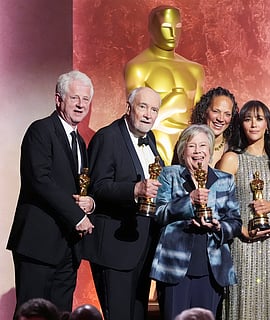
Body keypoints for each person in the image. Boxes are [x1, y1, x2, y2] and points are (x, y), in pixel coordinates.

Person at [7, 71, 95, 314]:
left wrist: (89, 204)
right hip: (38, 245)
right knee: (32, 313)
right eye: (75, 98)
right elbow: (40, 180)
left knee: (61, 314)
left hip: (68, 248)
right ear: (58, 99)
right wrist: (77, 217)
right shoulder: (40, 131)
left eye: (86, 99)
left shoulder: (80, 142)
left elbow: (78, 187)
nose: (81, 105)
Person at [82, 87, 164, 320]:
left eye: (154, 109)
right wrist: (134, 189)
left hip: (142, 245)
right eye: (143, 107)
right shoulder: (107, 137)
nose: (148, 114)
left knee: (137, 315)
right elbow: (97, 186)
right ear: (129, 108)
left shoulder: (150, 138)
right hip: (114, 247)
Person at [217, 100, 270, 320]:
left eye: (259, 118)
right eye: (247, 119)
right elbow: (217, 207)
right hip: (243, 242)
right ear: (241, 125)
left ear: (268, 124)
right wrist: (242, 230)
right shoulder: (231, 159)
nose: (253, 124)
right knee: (244, 302)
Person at [150, 124, 241, 319]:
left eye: (203, 146)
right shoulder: (170, 174)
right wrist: (189, 200)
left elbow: (235, 221)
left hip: (212, 268)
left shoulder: (225, 179)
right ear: (183, 151)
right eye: (192, 146)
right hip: (175, 266)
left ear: (210, 150)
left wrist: (219, 227)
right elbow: (158, 213)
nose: (198, 152)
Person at [124, 5, 205, 165]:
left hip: (190, 148)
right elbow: (135, 118)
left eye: (178, 27)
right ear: (151, 28)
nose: (173, 34)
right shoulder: (138, 67)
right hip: (155, 143)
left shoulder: (195, 69)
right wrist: (172, 104)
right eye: (166, 27)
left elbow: (200, 120)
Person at [172, 87, 239, 166]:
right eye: (216, 111)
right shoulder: (187, 142)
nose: (221, 119)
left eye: (227, 114)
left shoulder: (235, 147)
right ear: (204, 111)